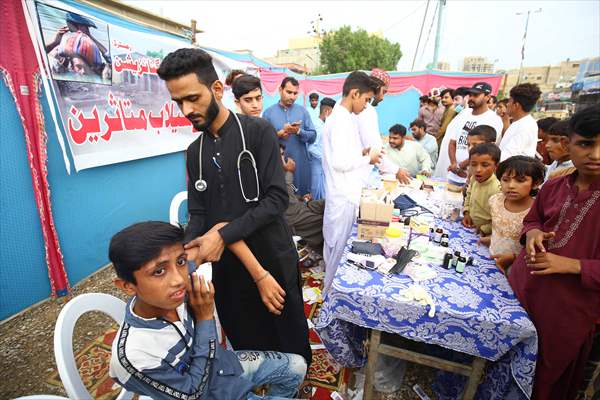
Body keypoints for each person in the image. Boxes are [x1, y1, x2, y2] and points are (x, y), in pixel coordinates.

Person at [156, 48, 311, 365]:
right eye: (178, 102)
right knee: (245, 337)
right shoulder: (194, 152)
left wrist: (222, 236)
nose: (186, 109)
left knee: (288, 336)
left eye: (192, 98)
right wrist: (183, 255)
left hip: (271, 255)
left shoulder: (257, 132)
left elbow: (276, 199)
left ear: (216, 90)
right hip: (228, 268)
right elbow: (199, 214)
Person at [108, 221, 306, 400]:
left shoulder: (175, 282)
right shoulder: (135, 354)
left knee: (298, 365)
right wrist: (204, 317)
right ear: (127, 286)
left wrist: (261, 277)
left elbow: (223, 228)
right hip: (208, 394)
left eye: (180, 261)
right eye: (159, 272)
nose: (179, 280)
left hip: (225, 366)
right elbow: (194, 394)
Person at [508, 105, 600, 400]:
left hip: (567, 309)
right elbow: (532, 219)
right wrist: (532, 232)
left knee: (544, 377)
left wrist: (573, 265)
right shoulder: (555, 185)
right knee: (506, 361)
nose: (595, 155)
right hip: (524, 290)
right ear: (567, 144)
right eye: (586, 144)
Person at [322, 71, 381, 294]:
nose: (366, 106)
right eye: (366, 99)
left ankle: (329, 294)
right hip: (343, 195)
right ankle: (330, 301)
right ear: (354, 93)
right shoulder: (340, 120)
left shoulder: (345, 118)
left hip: (344, 192)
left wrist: (361, 152)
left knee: (335, 251)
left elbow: (345, 154)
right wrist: (368, 158)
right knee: (337, 254)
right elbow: (339, 162)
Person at [483, 156, 545, 273]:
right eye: (505, 179)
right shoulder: (495, 200)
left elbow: (535, 249)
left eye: (520, 180)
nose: (511, 185)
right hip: (491, 259)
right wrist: (491, 239)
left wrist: (513, 257)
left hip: (516, 269)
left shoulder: (536, 212)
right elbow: (499, 229)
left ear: (535, 183)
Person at [263, 77, 317, 196]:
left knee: (301, 201)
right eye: (289, 92)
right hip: (278, 168)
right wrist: (278, 134)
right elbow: (263, 142)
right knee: (281, 201)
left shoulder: (302, 111)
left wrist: (298, 131)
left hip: (301, 166)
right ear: (280, 90)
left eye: (295, 93)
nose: (292, 97)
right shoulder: (268, 113)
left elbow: (313, 136)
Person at [447, 82, 503, 186]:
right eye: (470, 95)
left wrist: (461, 166)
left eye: (476, 95)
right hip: (453, 174)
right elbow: (452, 142)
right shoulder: (464, 113)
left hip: (473, 177)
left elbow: (487, 149)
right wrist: (454, 164)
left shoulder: (493, 119)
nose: (471, 98)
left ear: (487, 97)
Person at [280, 145, 325, 253]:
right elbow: (287, 201)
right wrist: (289, 172)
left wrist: (302, 199)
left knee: (330, 204)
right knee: (329, 219)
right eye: (279, 155)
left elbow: (291, 196)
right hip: (293, 217)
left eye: (282, 154)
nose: (283, 158)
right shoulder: (270, 173)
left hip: (300, 206)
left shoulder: (280, 171)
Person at [462, 143, 502, 236]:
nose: (478, 169)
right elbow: (468, 195)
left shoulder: (498, 189)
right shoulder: (473, 179)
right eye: (474, 164)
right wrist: (467, 212)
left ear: (496, 166)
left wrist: (485, 229)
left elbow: (499, 217)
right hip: (470, 227)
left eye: (485, 165)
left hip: (485, 234)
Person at [499, 83, 542, 161]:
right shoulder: (519, 122)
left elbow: (507, 155)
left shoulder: (527, 126)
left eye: (509, 101)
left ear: (516, 105)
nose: (507, 104)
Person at [308, 97, 336, 200]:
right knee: (316, 195)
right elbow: (311, 148)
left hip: (322, 166)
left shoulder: (323, 125)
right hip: (316, 166)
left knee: (323, 196)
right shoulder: (317, 126)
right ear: (326, 111)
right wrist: (325, 158)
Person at [356, 68, 391, 149]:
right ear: (377, 87)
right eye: (384, 92)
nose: (382, 98)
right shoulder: (368, 110)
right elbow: (373, 145)